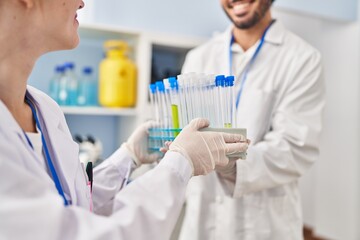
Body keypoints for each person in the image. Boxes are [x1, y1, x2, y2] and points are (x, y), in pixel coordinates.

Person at [0, 0, 249, 239]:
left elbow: (76, 205)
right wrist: (180, 163)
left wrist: (128, 157)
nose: (82, 3)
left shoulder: (45, 109)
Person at [178, 0, 325, 239]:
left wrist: (231, 162)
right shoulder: (198, 57)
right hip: (201, 223)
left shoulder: (302, 59)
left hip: (264, 226)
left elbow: (294, 148)